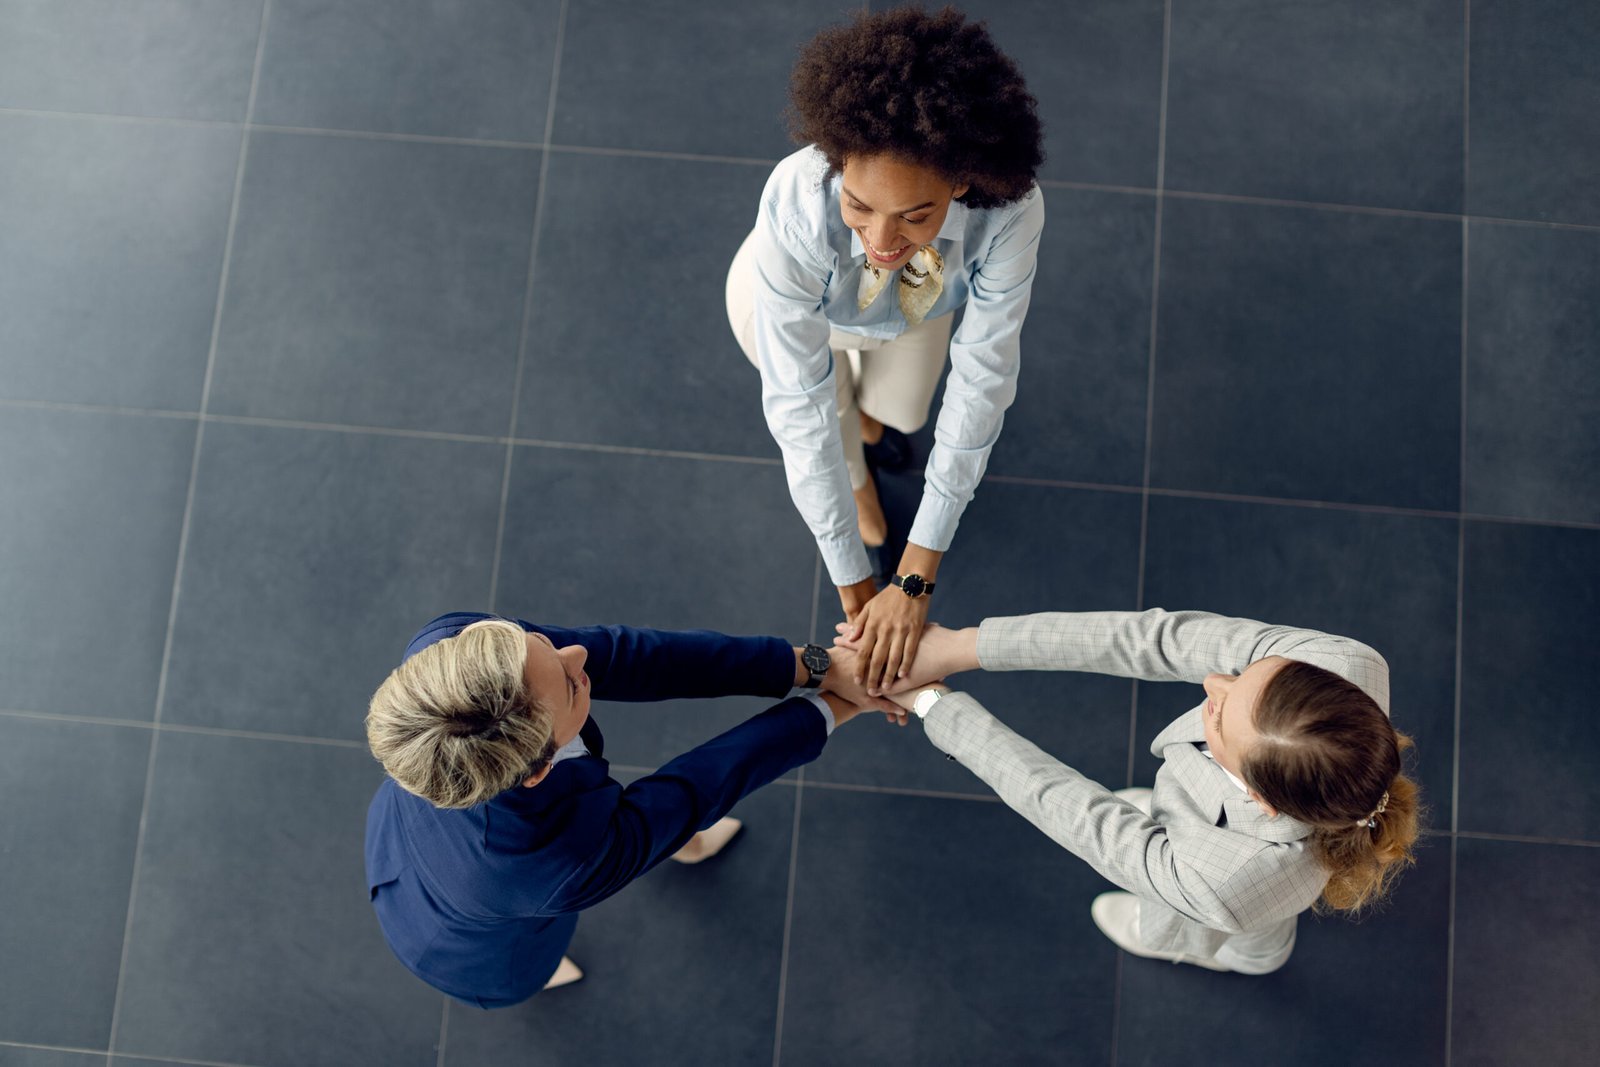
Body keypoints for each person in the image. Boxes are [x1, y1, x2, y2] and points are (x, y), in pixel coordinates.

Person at [727, 6, 1046, 695]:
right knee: (831, 419)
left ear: (961, 182)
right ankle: (862, 483)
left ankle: (870, 433)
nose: (879, 239)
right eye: (859, 206)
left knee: (901, 414)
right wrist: (858, 583)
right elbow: (799, 403)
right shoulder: (796, 198)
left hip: (918, 303)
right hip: (793, 309)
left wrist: (916, 573)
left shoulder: (1012, 211)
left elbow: (984, 376)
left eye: (915, 214)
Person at [845, 608, 1422, 974]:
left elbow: (1077, 812)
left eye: (1220, 717)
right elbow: (1151, 639)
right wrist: (964, 647)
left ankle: (1250, 958)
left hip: (1233, 890)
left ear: (1260, 801)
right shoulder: (1340, 664)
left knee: (1231, 926)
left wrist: (933, 704)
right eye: (1249, 674)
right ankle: (1182, 854)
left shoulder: (1227, 880)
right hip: (1222, 846)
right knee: (1162, 839)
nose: (1213, 681)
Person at [363, 612, 895, 1008]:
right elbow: (693, 791)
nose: (578, 656)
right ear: (539, 769)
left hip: (414, 831)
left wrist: (813, 667)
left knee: (643, 830)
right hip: (471, 950)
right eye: (572, 687)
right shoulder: (558, 866)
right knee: (543, 942)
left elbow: (629, 655)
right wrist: (838, 704)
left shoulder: (456, 654)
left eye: (543, 644)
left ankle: (668, 845)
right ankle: (563, 940)